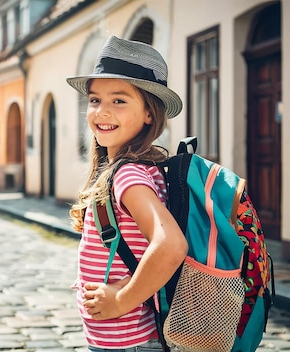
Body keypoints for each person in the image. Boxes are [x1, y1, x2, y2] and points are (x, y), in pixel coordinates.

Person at [66, 36, 188, 351]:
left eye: (119, 101)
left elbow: (171, 245)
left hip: (127, 340)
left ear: (150, 113)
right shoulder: (136, 168)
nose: (102, 112)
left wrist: (121, 299)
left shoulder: (128, 175)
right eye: (95, 100)